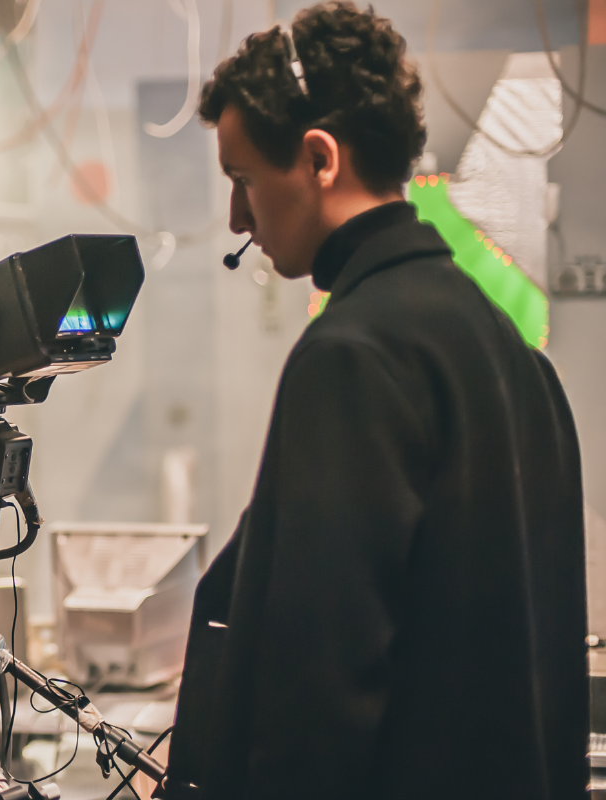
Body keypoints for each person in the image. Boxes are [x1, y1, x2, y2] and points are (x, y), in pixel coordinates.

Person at [163, 4, 587, 799]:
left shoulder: (351, 358)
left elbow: (317, 685)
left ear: (320, 160)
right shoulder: (509, 350)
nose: (236, 218)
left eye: (245, 179)